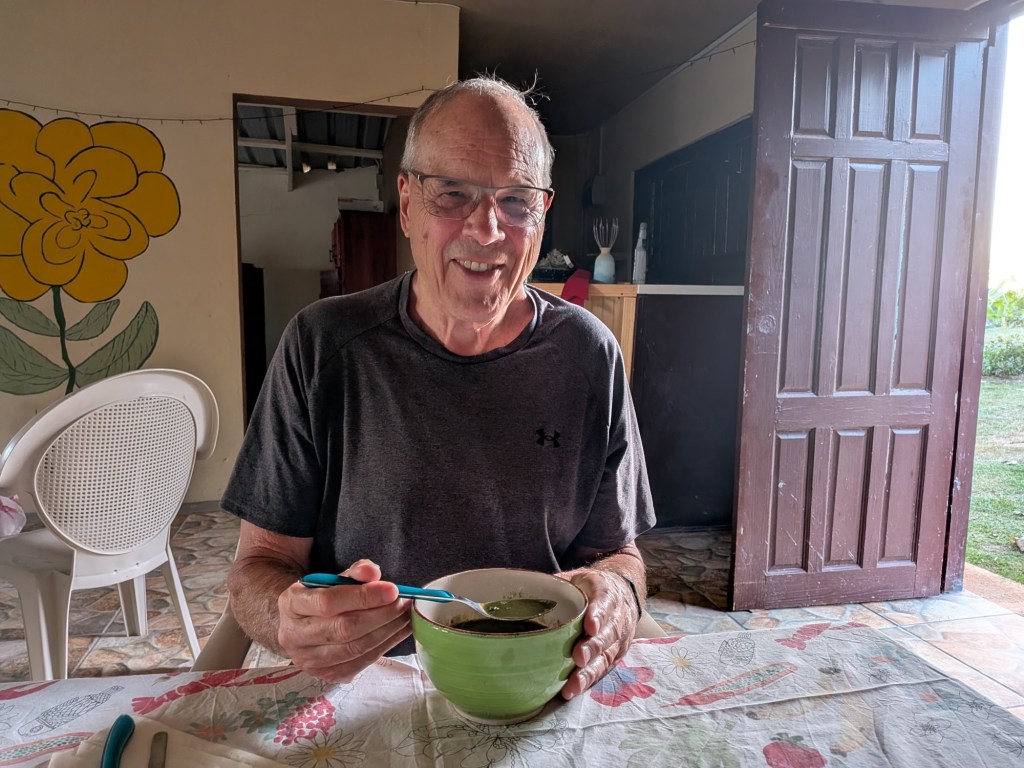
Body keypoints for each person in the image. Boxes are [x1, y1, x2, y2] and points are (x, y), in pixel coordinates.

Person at [221, 76, 656, 700]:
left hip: (535, 691)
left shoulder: (590, 355)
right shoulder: (322, 346)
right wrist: (291, 621)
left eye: (516, 201)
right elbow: (257, 569)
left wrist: (617, 592)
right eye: (452, 194)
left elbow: (619, 554)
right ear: (406, 204)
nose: (487, 229)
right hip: (367, 687)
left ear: (543, 214)